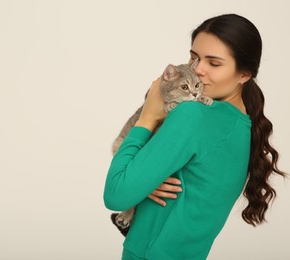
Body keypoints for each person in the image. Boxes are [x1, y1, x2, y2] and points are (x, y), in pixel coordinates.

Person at [103, 13, 286, 260]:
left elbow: (115, 194)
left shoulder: (193, 115)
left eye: (214, 63)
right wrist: (145, 182)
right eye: (194, 57)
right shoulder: (243, 127)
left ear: (244, 74)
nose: (197, 70)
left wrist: (148, 116)